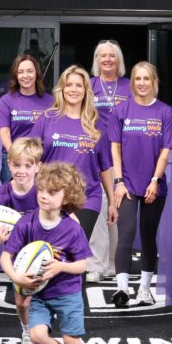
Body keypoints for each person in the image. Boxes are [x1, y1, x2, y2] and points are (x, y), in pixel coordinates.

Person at [0, 162, 109, 344]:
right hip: (39, 294)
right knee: (38, 336)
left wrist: (60, 266)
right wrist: (16, 278)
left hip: (67, 293)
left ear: (67, 198)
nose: (44, 196)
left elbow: (82, 266)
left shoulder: (71, 228)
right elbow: (6, 257)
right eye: (42, 190)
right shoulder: (26, 223)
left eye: (53, 192)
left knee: (71, 339)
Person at [110, 62, 172, 308]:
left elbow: (165, 151)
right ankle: (122, 290)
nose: (141, 83)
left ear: (154, 81)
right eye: (137, 79)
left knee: (148, 236)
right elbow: (114, 148)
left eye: (146, 79)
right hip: (126, 183)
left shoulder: (164, 111)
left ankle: (145, 289)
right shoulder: (121, 110)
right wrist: (118, 181)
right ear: (132, 82)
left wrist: (155, 181)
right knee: (126, 234)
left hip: (154, 184)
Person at [31, 66, 118, 258]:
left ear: (86, 90)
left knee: (74, 251)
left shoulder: (97, 125)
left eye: (79, 85)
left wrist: (111, 202)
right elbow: (32, 157)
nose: (73, 89)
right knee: (50, 253)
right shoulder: (47, 119)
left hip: (86, 199)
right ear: (61, 89)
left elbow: (105, 167)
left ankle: (78, 289)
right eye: (68, 84)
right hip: (51, 196)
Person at [0, 137, 45, 344]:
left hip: (45, 250)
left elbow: (66, 216)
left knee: (44, 305)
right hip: (20, 257)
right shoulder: (1, 196)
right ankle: (26, 332)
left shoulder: (44, 188)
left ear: (37, 167)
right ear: (9, 165)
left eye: (27, 166)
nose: (21, 171)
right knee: (22, 303)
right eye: (17, 165)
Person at [87, 40, 130, 282]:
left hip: (124, 156)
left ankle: (115, 263)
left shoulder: (129, 86)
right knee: (100, 206)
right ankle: (96, 264)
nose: (107, 60)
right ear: (97, 60)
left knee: (119, 208)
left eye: (111, 56)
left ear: (118, 60)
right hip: (96, 155)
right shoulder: (90, 85)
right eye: (102, 56)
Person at [0, 54, 54, 183]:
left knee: (40, 199)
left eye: (30, 71)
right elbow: (4, 133)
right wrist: (16, 157)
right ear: (15, 75)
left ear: (37, 74)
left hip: (40, 158)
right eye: (21, 72)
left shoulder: (50, 101)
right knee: (12, 200)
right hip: (14, 157)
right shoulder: (6, 101)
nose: (25, 76)